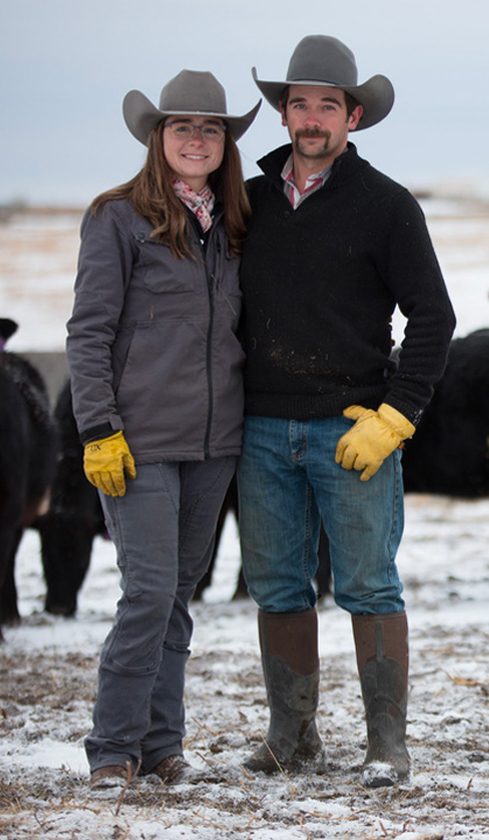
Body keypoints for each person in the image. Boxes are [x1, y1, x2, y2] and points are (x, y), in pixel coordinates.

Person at [238, 35, 455, 787]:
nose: (311, 119)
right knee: (276, 585)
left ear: (352, 116)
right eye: (298, 104)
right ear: (283, 113)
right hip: (260, 427)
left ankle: (386, 745)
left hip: (352, 426)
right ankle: (291, 739)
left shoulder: (386, 205)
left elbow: (433, 317)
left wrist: (397, 416)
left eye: (327, 105)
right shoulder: (251, 202)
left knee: (368, 584)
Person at [67, 70, 258, 790]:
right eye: (182, 127)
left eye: (211, 128)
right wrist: (98, 429)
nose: (197, 139)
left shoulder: (233, 227)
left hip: (213, 445)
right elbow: (88, 333)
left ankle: (162, 745)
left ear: (225, 142)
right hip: (139, 442)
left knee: (178, 596)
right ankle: (112, 750)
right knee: (147, 593)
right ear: (158, 137)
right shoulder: (117, 218)